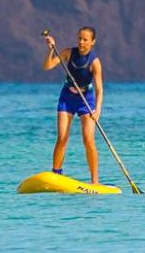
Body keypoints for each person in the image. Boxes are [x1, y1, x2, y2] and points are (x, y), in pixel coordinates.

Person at [44, 27, 105, 184]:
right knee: (62, 137)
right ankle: (56, 174)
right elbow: (47, 66)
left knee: (88, 139)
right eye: (79, 38)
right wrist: (51, 50)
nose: (81, 42)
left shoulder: (95, 63)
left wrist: (98, 110)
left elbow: (99, 89)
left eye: (85, 39)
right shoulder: (67, 52)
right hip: (67, 97)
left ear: (93, 42)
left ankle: (95, 181)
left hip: (86, 99)